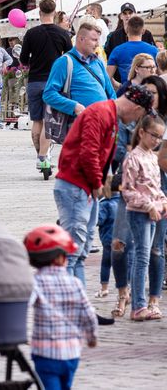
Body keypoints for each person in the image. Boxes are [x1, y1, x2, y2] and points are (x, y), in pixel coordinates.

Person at [55, 84, 153, 287]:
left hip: (84, 187)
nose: (136, 122)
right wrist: (97, 184)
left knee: (80, 253)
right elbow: (88, 153)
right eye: (140, 116)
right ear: (137, 109)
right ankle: (65, 305)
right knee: (73, 252)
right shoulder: (100, 113)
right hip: (76, 186)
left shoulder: (110, 116)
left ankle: (80, 308)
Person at [24, 224, 99, 390]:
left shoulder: (35, 282)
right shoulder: (75, 283)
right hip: (72, 353)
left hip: (45, 354)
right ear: (62, 258)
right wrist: (92, 337)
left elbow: (24, 305)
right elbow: (88, 313)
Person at [119, 114, 167, 321]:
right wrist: (149, 206)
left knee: (151, 254)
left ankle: (146, 303)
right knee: (142, 257)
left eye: (160, 137)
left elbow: (155, 188)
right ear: (141, 133)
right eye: (153, 135)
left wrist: (163, 202)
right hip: (139, 213)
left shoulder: (151, 157)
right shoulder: (134, 157)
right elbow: (128, 190)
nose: (157, 140)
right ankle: (138, 305)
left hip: (155, 211)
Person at [43, 21, 116, 146]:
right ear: (81, 39)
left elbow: (110, 91)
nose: (97, 44)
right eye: (94, 40)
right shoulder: (64, 62)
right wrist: (74, 106)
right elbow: (49, 94)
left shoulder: (97, 61)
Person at [22, 0, 75, 169]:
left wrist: (33, 59)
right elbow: (70, 57)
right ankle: (44, 157)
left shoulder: (31, 34)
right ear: (54, 13)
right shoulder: (62, 34)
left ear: (39, 12)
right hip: (54, 82)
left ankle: (39, 156)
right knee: (48, 121)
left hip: (35, 81)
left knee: (37, 121)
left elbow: (23, 59)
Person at [107, 15, 158, 85]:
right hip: (150, 91)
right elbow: (161, 75)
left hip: (127, 92)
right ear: (143, 31)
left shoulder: (117, 51)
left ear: (127, 30)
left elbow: (107, 77)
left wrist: (120, 86)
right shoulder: (154, 50)